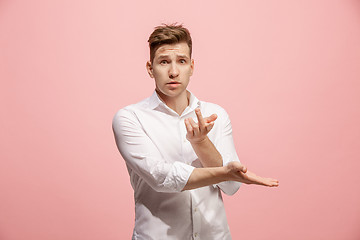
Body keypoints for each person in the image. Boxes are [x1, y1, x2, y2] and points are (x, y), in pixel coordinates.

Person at [112, 23, 279, 240]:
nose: (173, 71)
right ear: (150, 68)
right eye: (164, 62)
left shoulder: (216, 114)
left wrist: (201, 143)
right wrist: (225, 172)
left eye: (181, 61)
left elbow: (230, 186)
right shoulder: (130, 118)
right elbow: (161, 178)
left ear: (192, 66)